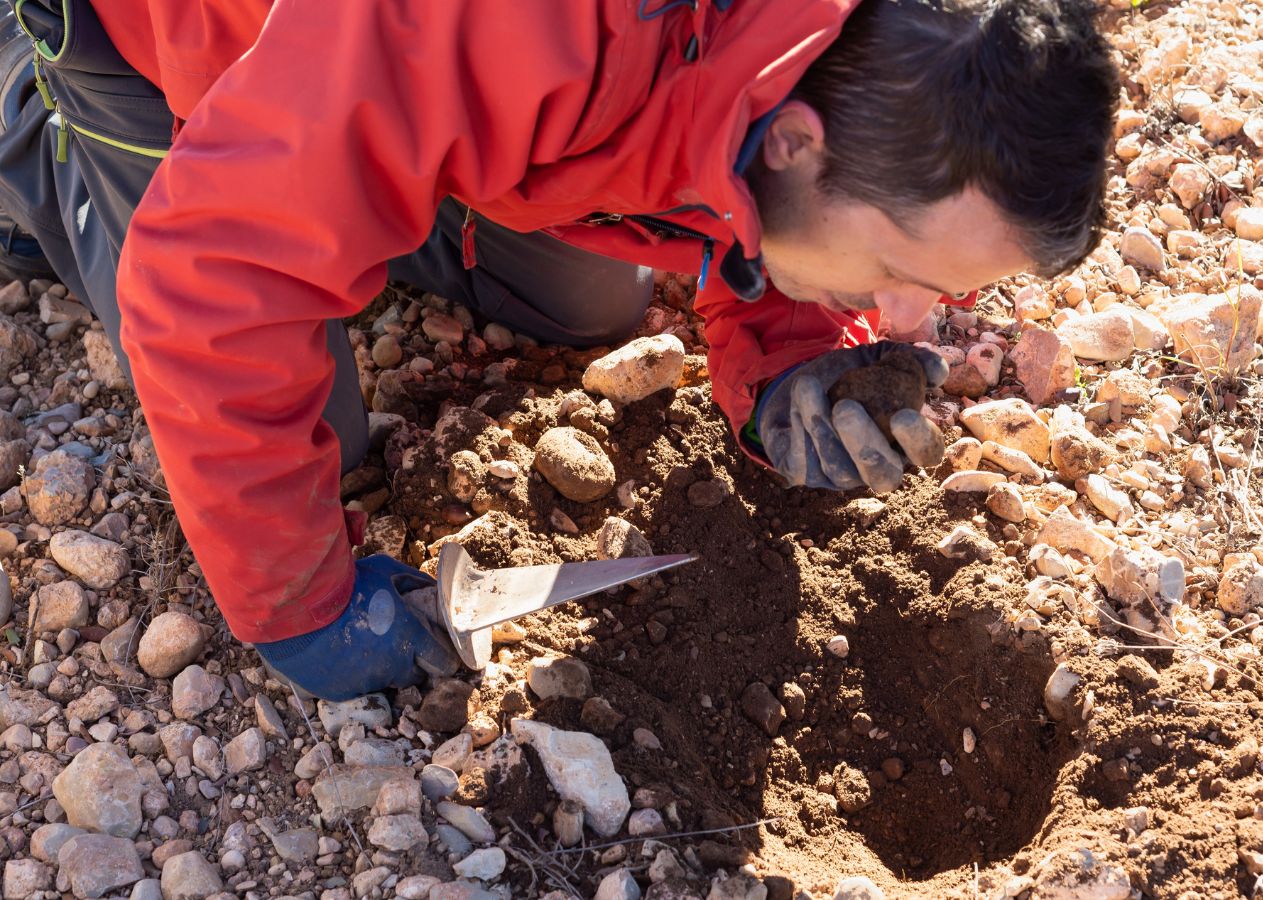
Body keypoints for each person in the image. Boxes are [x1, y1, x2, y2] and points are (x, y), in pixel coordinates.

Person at [0, 0, 1117, 699]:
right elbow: (210, 286)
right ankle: (28, 105)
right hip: (163, 32)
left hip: (382, 67)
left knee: (590, 303)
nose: (910, 322)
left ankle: (367, 169)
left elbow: (720, 120)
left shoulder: (861, 51)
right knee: (300, 428)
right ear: (796, 140)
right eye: (904, 276)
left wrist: (792, 343)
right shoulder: (496, 24)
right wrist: (298, 606)